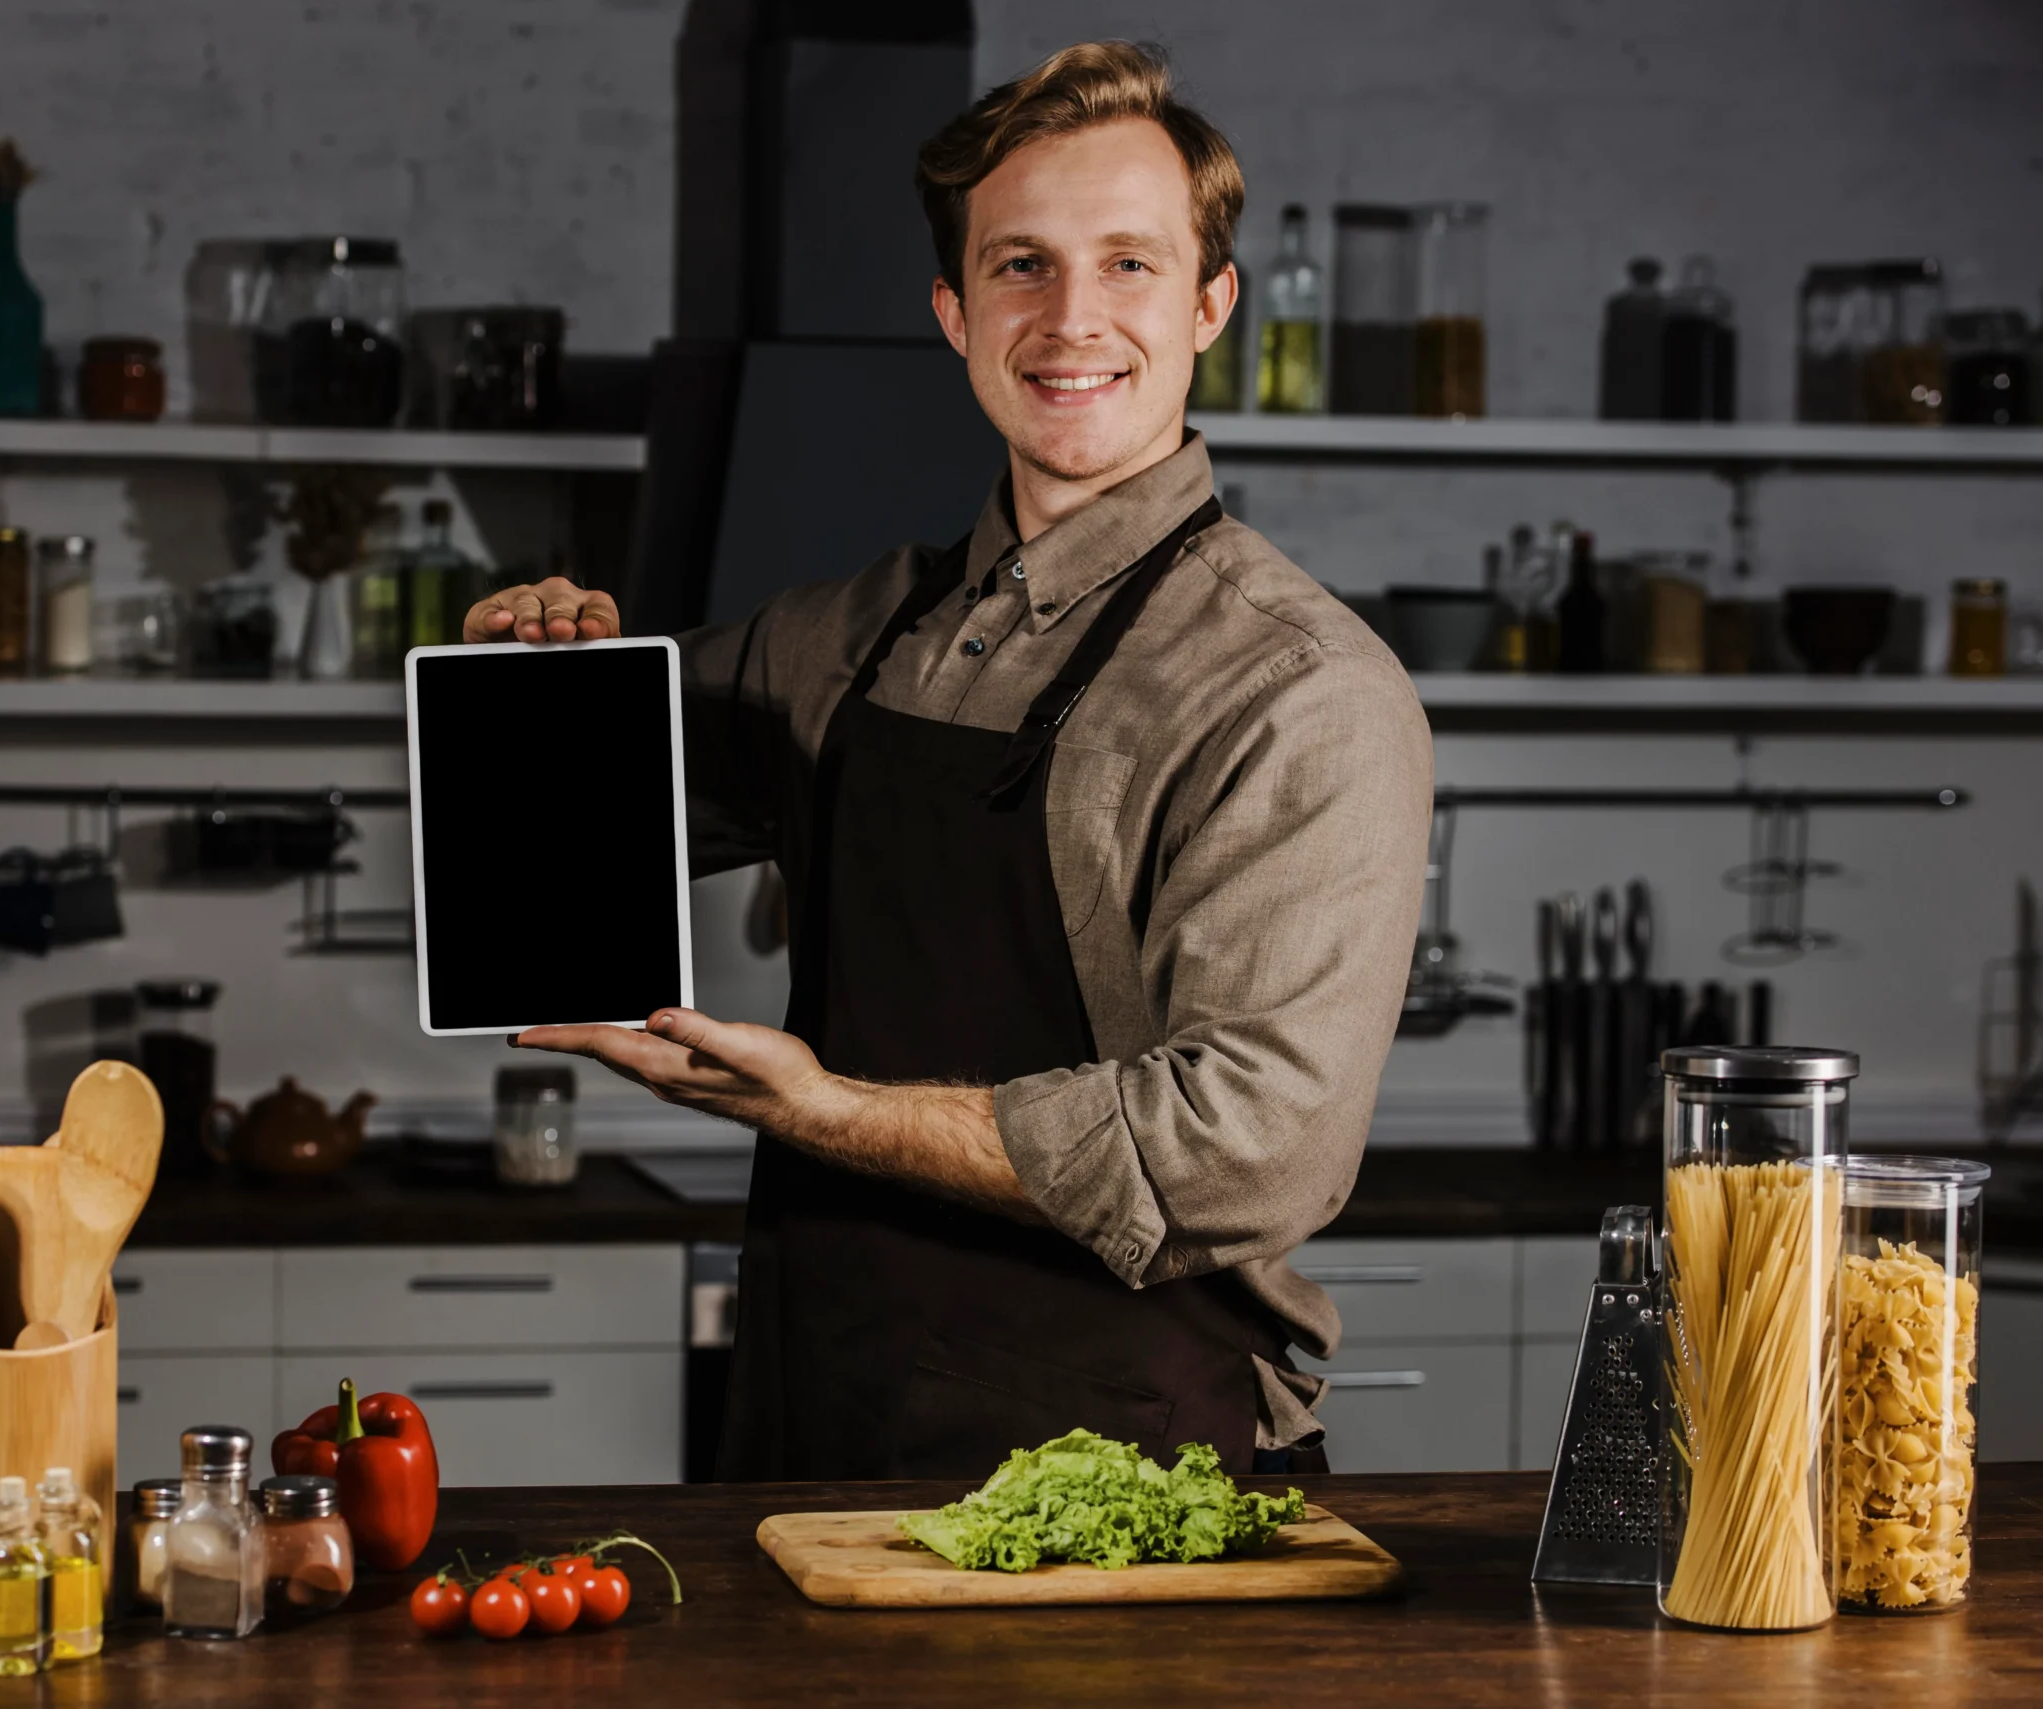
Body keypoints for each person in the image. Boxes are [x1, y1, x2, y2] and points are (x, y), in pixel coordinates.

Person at [464, 40, 1431, 1479]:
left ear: (1212, 303)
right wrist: (524, 694)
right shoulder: (848, 635)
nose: (1070, 318)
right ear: (954, 312)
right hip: (822, 1424)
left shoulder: (1295, 690)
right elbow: (532, 853)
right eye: (1022, 265)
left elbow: (1251, 1151)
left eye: (1130, 266)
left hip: (1132, 1463)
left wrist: (830, 1113)